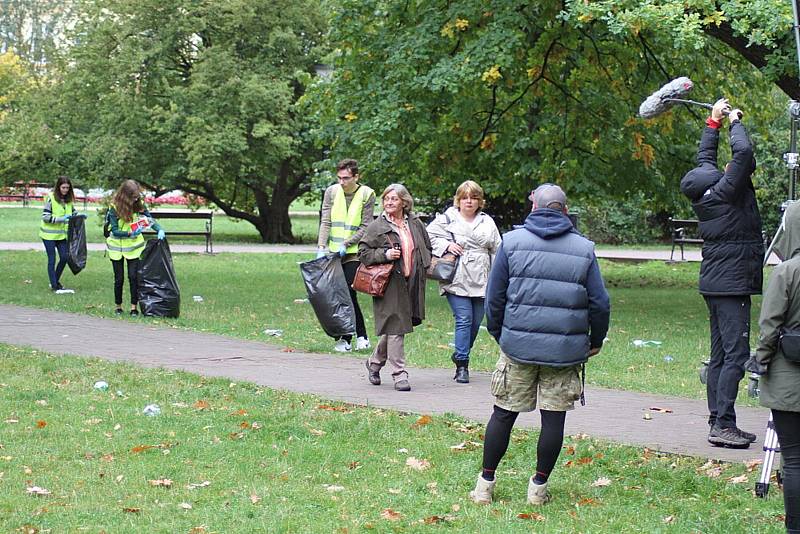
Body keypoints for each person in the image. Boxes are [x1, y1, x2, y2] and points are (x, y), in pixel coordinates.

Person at [469, 183, 610, 505]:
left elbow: (494, 298)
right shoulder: (584, 248)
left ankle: (485, 486)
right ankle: (538, 489)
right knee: (553, 419)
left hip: (517, 347)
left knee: (503, 414)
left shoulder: (512, 242)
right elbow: (600, 303)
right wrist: (596, 340)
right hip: (563, 353)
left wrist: (499, 334)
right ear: (565, 208)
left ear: (535, 207)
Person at [680, 98, 762, 449]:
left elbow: (704, 161)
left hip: (715, 283)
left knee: (719, 355)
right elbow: (742, 154)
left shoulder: (706, 194)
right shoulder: (727, 192)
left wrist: (711, 123)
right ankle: (723, 424)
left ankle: (718, 420)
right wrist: (735, 122)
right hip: (731, 285)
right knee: (735, 355)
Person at [750, 200, 800, 534]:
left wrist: (760, 362)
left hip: (789, 377)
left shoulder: (787, 271)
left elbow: (770, 326)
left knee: (794, 458)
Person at [359, 184, 431, 392]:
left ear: (404, 202)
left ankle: (374, 363)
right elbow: (363, 253)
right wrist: (385, 254)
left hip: (412, 281)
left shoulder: (415, 224)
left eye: (394, 199)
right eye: (386, 199)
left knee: (394, 327)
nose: (389, 202)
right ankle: (400, 374)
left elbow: (426, 246)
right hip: (389, 283)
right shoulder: (377, 226)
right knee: (397, 329)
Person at [427, 180, 501, 383]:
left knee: (476, 323)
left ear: (480, 201)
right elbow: (428, 236)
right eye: (465, 197)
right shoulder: (447, 218)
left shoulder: (487, 222)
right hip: (457, 276)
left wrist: (498, 279)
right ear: (458, 200)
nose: (469, 201)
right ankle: (462, 364)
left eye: (474, 197)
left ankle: (460, 352)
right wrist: (447, 245)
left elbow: (497, 250)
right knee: (464, 319)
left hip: (482, 277)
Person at [316, 159, 376, 352]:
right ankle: (353, 336)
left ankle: (353, 337)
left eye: (347, 178)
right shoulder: (331, 192)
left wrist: (347, 243)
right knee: (336, 294)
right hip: (334, 252)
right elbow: (326, 221)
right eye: (339, 178)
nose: (342, 182)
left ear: (356, 177)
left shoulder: (367, 194)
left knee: (348, 293)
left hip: (354, 252)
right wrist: (321, 246)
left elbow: (365, 226)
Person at [106, 180, 166, 316]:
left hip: (134, 248)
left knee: (133, 277)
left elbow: (149, 220)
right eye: (133, 197)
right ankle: (118, 306)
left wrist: (159, 230)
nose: (136, 199)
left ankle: (134, 307)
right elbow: (114, 230)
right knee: (119, 278)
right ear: (125, 196)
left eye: (137, 196)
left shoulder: (139, 204)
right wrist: (129, 233)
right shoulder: (114, 207)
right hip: (116, 248)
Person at [40, 176, 85, 293]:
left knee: (65, 257)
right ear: (58, 187)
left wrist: (80, 216)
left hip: (61, 236)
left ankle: (54, 281)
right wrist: (61, 219)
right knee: (52, 259)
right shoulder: (51, 199)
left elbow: (73, 213)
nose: (65, 190)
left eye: (67, 188)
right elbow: (45, 217)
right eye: (63, 187)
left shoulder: (68, 201)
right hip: (48, 235)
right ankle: (55, 286)